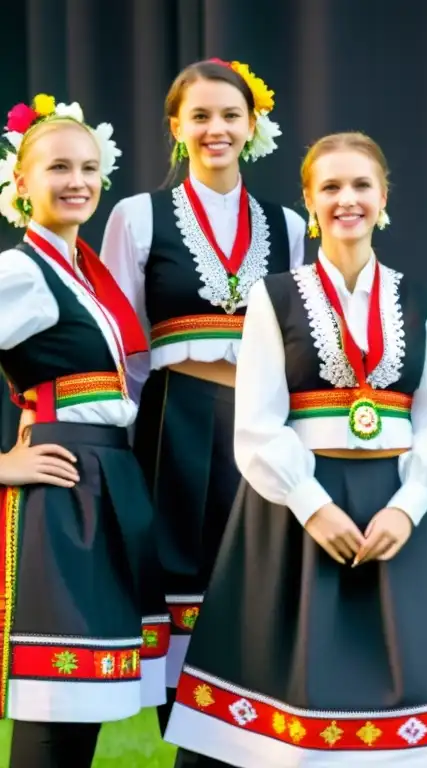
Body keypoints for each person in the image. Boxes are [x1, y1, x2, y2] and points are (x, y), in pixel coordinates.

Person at [164, 132, 427, 767]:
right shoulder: (273, 297)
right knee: (286, 696)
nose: (346, 199)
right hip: (294, 513)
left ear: (384, 196)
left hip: (393, 511)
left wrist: (409, 505)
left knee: (401, 697)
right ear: (309, 199)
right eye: (330, 187)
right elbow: (255, 420)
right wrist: (311, 504)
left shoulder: (418, 301)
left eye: (361, 184)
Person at [99, 58, 306, 727]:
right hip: (174, 420)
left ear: (253, 125)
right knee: (180, 579)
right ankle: (188, 738)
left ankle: (254, 732)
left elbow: (297, 345)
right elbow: (119, 343)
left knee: (252, 576)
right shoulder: (139, 216)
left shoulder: (290, 225)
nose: (216, 129)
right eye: (201, 116)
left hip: (257, 420)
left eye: (230, 115)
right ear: (176, 127)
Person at [0, 95, 167, 767]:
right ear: (21, 183)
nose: (77, 182)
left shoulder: (83, 273)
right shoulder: (20, 270)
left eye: (89, 169)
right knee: (55, 697)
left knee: (90, 690)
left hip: (107, 478)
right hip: (66, 486)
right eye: (58, 168)